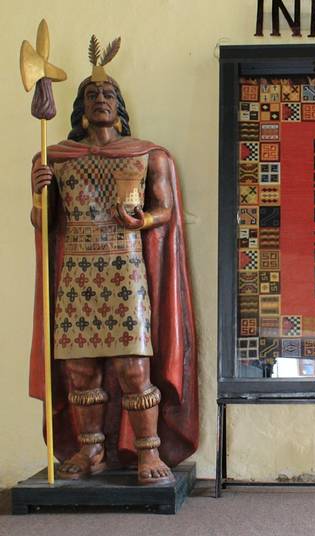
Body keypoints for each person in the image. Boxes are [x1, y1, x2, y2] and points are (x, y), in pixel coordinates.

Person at [30, 40, 198, 485]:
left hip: (125, 270)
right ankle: (91, 451)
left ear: (119, 106)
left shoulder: (146, 154)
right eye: (91, 95)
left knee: (133, 367)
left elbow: (166, 210)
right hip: (77, 270)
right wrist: (39, 193)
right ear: (81, 109)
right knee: (80, 370)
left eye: (107, 94)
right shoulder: (55, 158)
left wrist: (144, 219)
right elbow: (46, 224)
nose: (99, 100)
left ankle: (148, 452)